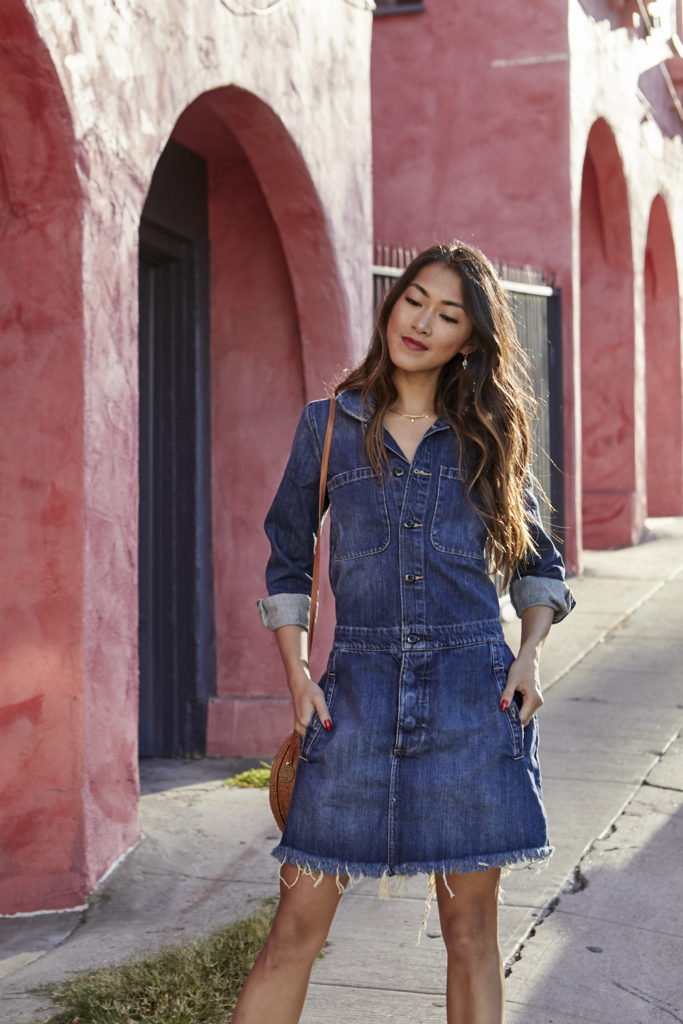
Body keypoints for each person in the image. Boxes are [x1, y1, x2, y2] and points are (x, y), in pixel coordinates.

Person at [232, 241, 574, 1024]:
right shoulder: (327, 428)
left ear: (470, 339)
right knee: (294, 928)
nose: (420, 322)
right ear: (392, 303)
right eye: (413, 299)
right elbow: (286, 562)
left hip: (472, 698)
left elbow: (537, 568)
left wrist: (528, 656)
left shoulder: (490, 432)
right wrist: (296, 676)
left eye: (448, 314)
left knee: (469, 936)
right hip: (351, 702)